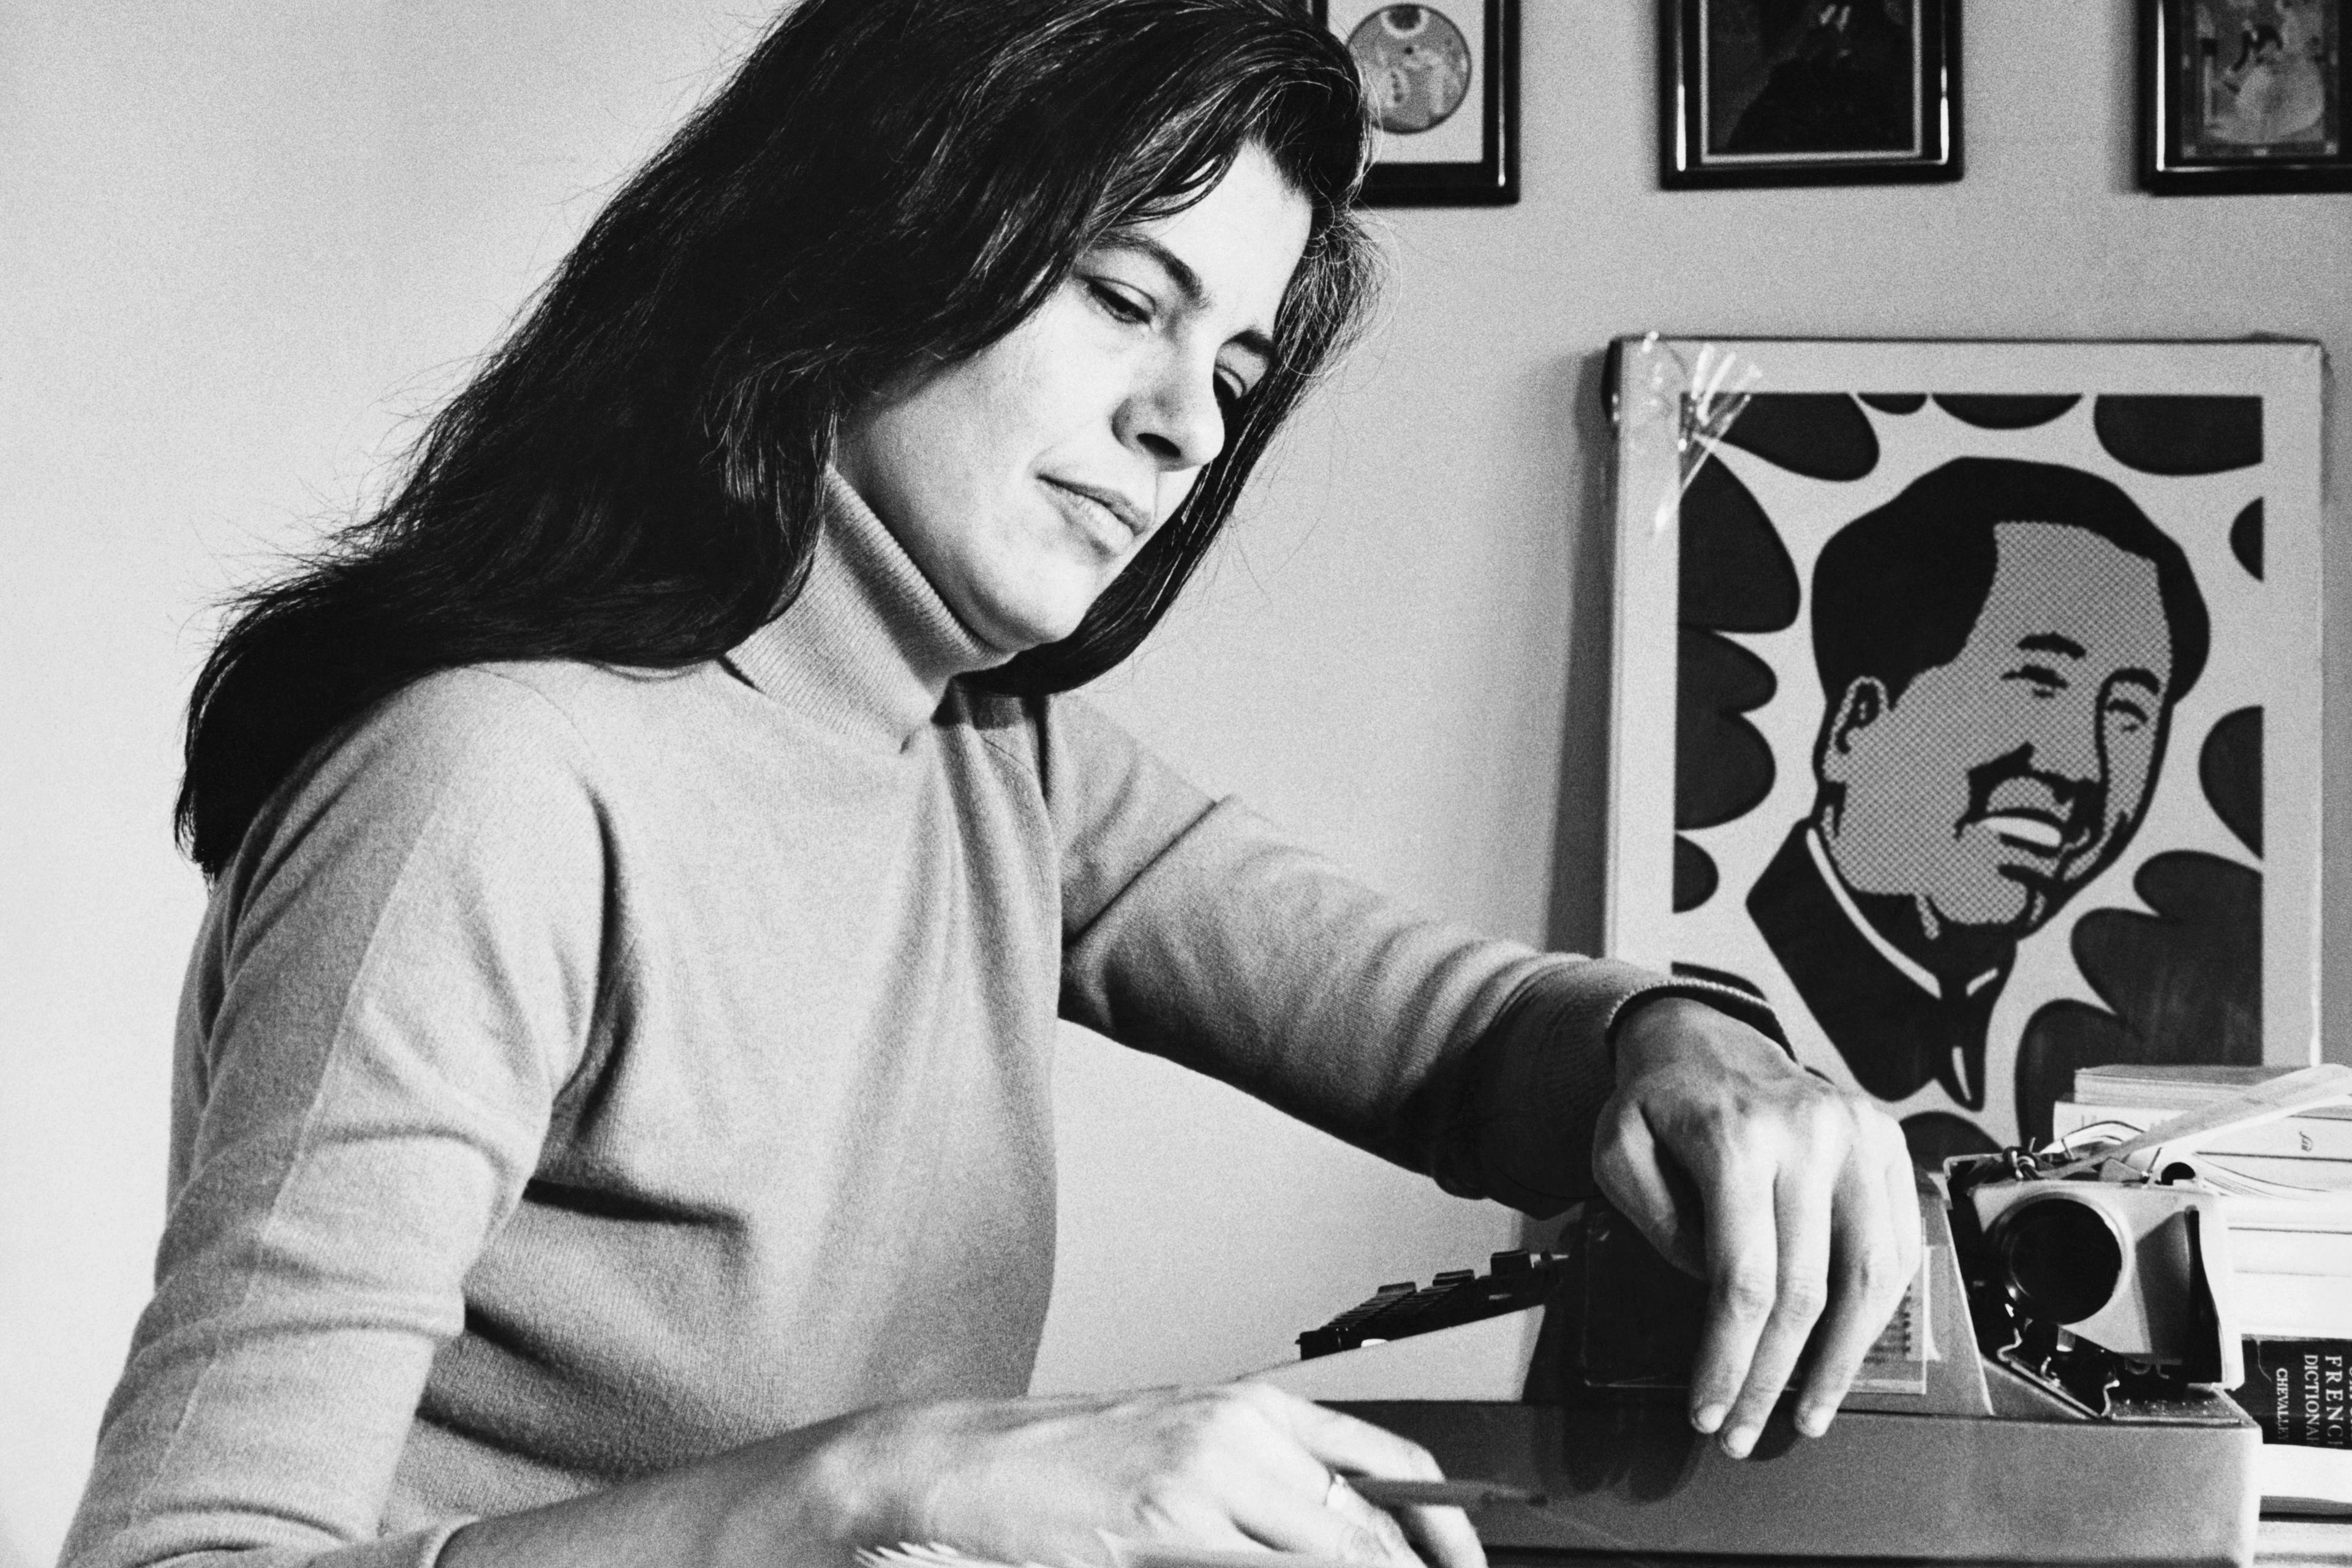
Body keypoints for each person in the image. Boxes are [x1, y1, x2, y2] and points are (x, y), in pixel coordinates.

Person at [64, 3, 1918, 1566]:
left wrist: (1684, 1047)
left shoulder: (991, 755)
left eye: (1234, 364)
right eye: (1123, 296)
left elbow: (1464, 1044)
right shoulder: (484, 789)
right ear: (876, 232)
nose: (1183, 426)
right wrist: (884, 1479)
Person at [1746, 458, 2209, 1159]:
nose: (2082, 768)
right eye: (2038, 680)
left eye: (2127, 713)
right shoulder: (1713, 1013)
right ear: (1856, 724)